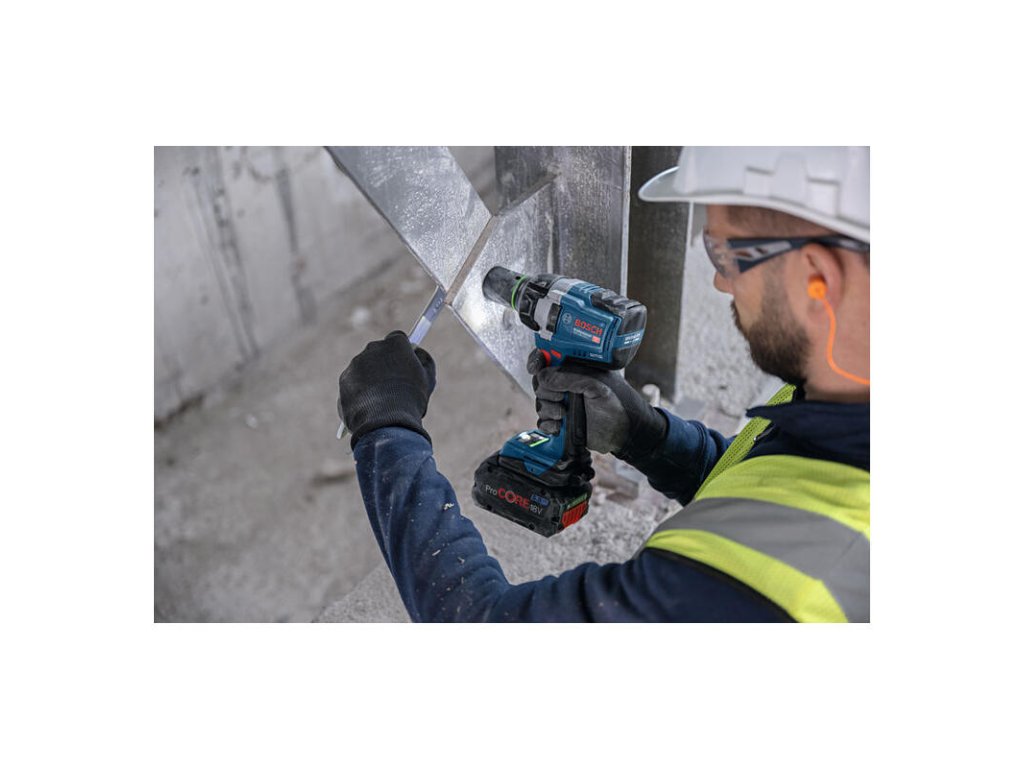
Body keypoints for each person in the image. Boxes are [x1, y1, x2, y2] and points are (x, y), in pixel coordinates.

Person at [336, 146, 870, 622]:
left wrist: (386, 427)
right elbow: (767, 485)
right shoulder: (843, 387)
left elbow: (478, 620)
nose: (719, 280)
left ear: (816, 278)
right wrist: (650, 436)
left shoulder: (764, 590)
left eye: (724, 253)